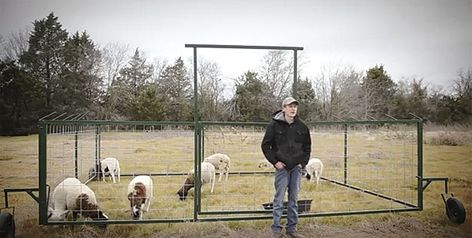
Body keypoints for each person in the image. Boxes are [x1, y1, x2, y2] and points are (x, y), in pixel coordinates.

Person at [261, 96, 311, 238]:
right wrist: (275, 162)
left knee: (293, 199)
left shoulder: (302, 126)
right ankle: (276, 230)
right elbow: (266, 146)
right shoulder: (274, 125)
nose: (293, 109)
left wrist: (303, 163)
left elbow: (307, 147)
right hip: (282, 168)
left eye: (295, 106)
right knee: (279, 199)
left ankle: (292, 229)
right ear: (283, 108)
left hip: (296, 167)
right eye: (290, 106)